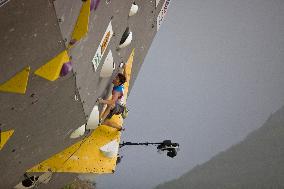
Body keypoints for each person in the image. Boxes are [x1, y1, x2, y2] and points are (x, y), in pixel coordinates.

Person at [97, 66, 127, 131]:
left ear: (119, 83)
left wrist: (101, 101)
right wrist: (125, 67)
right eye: (116, 77)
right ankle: (120, 127)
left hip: (118, 107)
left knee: (110, 104)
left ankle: (101, 119)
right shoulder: (120, 84)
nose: (114, 78)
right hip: (118, 105)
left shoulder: (116, 92)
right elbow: (126, 79)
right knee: (105, 121)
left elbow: (112, 102)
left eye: (117, 78)